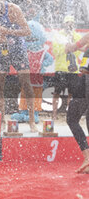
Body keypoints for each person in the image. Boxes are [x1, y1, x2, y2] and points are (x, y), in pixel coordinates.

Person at [0, 0, 37, 132]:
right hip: (1, 51)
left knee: (26, 84)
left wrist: (8, 32)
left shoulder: (13, 9)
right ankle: (1, 121)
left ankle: (31, 121)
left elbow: (27, 31)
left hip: (18, 50)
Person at [65, 32, 89, 173]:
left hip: (86, 80)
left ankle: (87, 157)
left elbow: (82, 41)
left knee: (71, 118)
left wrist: (72, 46)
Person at [52, 15, 82, 121]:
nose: (69, 25)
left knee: (71, 94)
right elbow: (54, 51)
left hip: (73, 70)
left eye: (71, 23)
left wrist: (72, 47)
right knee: (56, 93)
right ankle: (54, 114)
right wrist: (66, 48)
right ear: (64, 24)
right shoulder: (58, 35)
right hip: (60, 69)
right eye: (67, 23)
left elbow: (79, 51)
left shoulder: (77, 36)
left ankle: (69, 115)